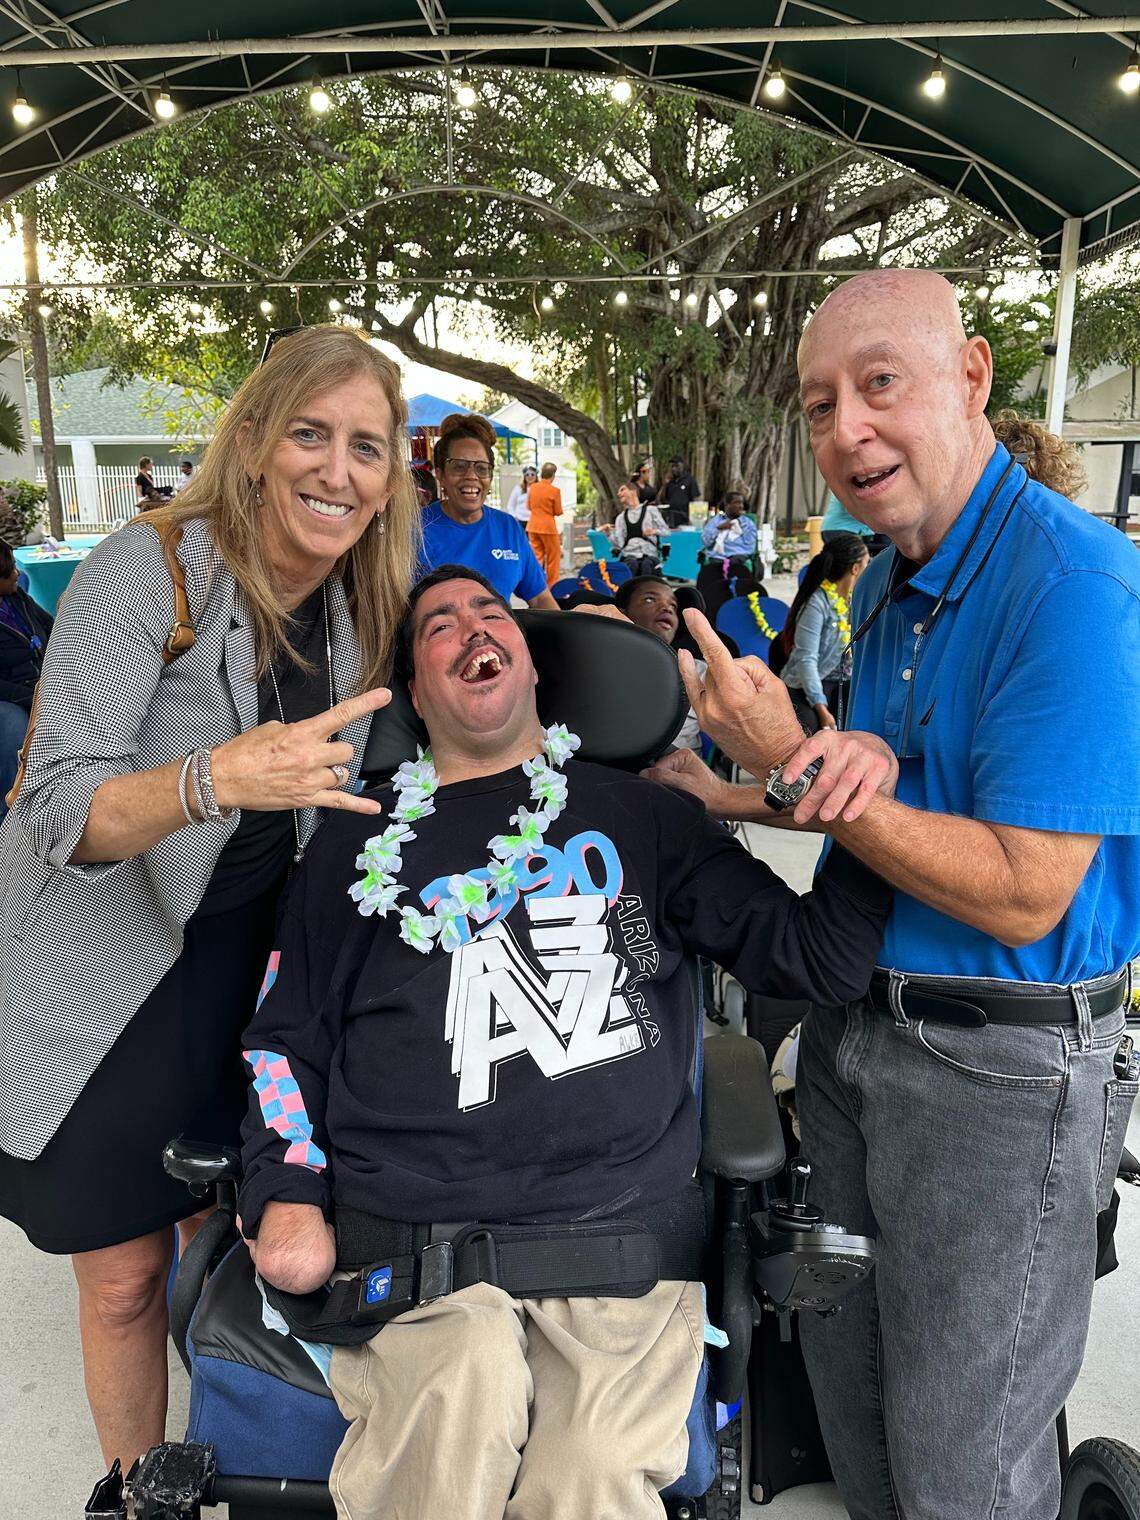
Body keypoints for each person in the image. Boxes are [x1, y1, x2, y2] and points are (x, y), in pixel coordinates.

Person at [238, 564, 895, 1520]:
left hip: (618, 1247)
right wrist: (287, 1191)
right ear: (417, 694)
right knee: (458, 1405)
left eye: (489, 612)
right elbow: (280, 1040)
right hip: (420, 1252)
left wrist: (850, 789)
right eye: (437, 626)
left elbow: (818, 961)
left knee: (585, 1472)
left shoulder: (645, 816)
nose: (471, 629)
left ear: (534, 668)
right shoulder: (349, 844)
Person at [649, 269, 1140, 1520]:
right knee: (855, 1412)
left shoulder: (1074, 589)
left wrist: (784, 757)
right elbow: (880, 816)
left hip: (1000, 1072)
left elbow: (1026, 890)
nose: (847, 429)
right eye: (820, 404)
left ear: (971, 377)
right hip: (860, 1033)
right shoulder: (880, 583)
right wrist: (727, 792)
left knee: (963, 1462)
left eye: (881, 385)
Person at [0, 324, 420, 1476]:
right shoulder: (152, 568)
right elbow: (57, 808)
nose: (338, 469)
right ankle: (141, 1491)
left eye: (368, 448)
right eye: (311, 435)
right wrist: (218, 777)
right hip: (105, 970)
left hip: (246, 962)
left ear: (391, 482)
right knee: (125, 1273)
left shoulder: (353, 599)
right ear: (253, 444)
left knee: (213, 1232)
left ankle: (215, 1448)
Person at [420, 416, 557, 610]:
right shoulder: (415, 529)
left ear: (490, 477)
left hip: (501, 638)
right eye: (459, 466)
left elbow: (540, 598)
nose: (471, 476)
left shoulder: (508, 528)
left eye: (481, 468)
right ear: (441, 475)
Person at [776, 532, 868, 733]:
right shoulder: (817, 604)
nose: (869, 570)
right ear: (855, 569)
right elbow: (806, 659)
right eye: (867, 564)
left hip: (842, 683)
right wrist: (821, 709)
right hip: (806, 685)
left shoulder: (856, 600)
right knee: (816, 730)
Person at [615, 573, 704, 752]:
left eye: (673, 605)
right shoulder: (599, 662)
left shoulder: (699, 671)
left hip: (677, 772)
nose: (667, 608)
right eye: (650, 600)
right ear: (620, 613)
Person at [0, 540, 52, 819]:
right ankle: (11, 811)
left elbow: (54, 628)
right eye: (11, 569)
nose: (18, 573)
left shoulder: (19, 599)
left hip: (40, 683)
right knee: (12, 724)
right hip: (11, 698)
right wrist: (30, 696)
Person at [609, 480, 669, 577]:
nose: (618, 493)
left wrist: (654, 531)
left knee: (647, 565)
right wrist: (608, 534)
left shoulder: (651, 511)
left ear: (633, 491)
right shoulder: (621, 518)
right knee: (632, 564)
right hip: (630, 555)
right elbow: (619, 544)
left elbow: (666, 532)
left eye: (622, 490)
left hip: (649, 554)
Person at [526, 460, 564, 586]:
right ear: (553, 474)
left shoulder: (533, 488)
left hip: (533, 526)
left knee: (537, 556)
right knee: (554, 556)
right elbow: (558, 511)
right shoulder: (555, 491)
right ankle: (552, 585)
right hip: (548, 527)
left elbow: (529, 506)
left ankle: (535, 583)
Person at [655, 456, 700, 528]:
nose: (674, 469)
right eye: (672, 466)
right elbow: (660, 499)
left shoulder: (690, 480)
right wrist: (664, 484)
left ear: (682, 465)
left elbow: (695, 500)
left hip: (685, 517)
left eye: (676, 466)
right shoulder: (670, 482)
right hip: (670, 517)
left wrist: (694, 518)